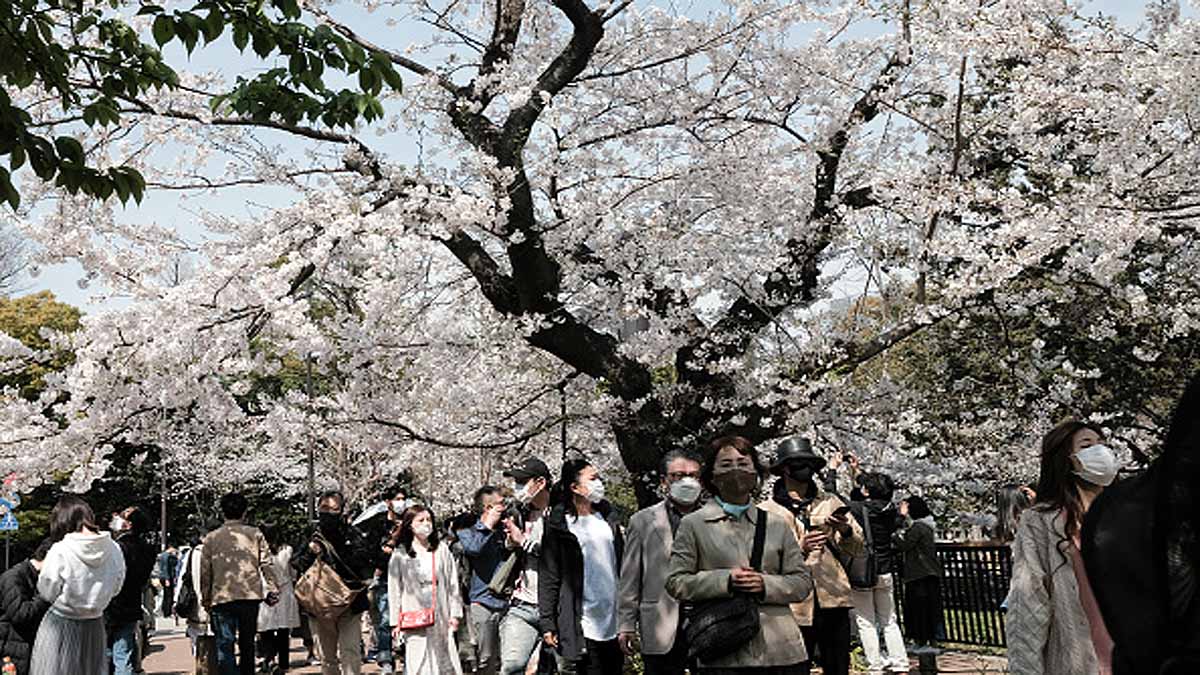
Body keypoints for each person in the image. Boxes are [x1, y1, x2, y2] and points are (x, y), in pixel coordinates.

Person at [665, 435, 812, 673]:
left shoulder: (776, 524)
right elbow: (676, 581)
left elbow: (802, 582)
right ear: (712, 476)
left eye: (743, 463)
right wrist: (725, 580)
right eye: (726, 464)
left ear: (756, 472)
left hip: (782, 651)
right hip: (724, 651)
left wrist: (765, 584)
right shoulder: (693, 525)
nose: (736, 470)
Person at [1005, 420, 1117, 675]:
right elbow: (1029, 601)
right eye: (1087, 445)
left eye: (1102, 444)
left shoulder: (1128, 516)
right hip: (1079, 662)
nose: (1100, 451)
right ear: (1067, 460)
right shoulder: (1041, 522)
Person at [759, 437, 863, 675]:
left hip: (832, 597)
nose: (806, 469)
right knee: (794, 667)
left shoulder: (830, 502)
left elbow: (858, 547)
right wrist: (799, 548)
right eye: (798, 463)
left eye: (810, 464)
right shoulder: (766, 511)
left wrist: (844, 529)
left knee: (837, 666)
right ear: (784, 468)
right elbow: (762, 560)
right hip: (791, 603)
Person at [617, 450, 704, 675]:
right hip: (660, 623)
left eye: (693, 475)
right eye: (678, 475)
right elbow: (630, 577)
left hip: (706, 621)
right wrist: (626, 624)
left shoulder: (715, 518)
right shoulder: (642, 521)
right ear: (664, 481)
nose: (687, 481)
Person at [539, 458, 624, 675]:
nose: (599, 483)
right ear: (575, 487)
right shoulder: (560, 524)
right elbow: (550, 575)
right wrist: (548, 622)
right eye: (592, 479)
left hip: (613, 617)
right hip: (582, 618)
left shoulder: (607, 518)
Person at [29, 494, 126, 675]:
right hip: (95, 624)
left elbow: (47, 591)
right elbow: (116, 587)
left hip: (60, 623)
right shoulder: (114, 548)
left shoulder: (61, 549)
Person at [293, 490, 385, 675]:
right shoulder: (311, 534)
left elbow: (365, 562)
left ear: (342, 511)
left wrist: (345, 548)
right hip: (319, 606)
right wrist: (311, 552)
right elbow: (297, 563)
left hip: (349, 603)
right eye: (324, 508)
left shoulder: (352, 534)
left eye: (334, 509)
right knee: (326, 657)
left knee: (350, 652)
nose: (328, 513)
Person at [200, 492, 281, 675]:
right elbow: (267, 564)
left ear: (222, 512)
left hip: (222, 596)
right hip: (249, 596)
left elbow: (206, 573)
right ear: (245, 512)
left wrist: (206, 599)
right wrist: (273, 587)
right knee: (247, 644)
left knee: (225, 645)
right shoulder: (255, 534)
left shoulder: (211, 538)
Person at [388, 504, 464, 675]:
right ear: (410, 525)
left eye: (429, 520)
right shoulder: (400, 554)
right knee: (417, 660)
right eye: (420, 520)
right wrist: (395, 622)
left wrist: (455, 614)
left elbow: (452, 582)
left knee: (443, 659)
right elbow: (394, 589)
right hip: (413, 614)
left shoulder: (441, 550)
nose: (426, 524)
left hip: (441, 613)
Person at [846, 472, 907, 675]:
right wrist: (857, 472)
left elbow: (833, 495)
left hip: (863, 570)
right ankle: (900, 663)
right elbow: (897, 522)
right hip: (885, 570)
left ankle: (875, 666)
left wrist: (833, 470)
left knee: (866, 622)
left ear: (866, 491)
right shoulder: (891, 511)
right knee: (889, 620)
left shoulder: (858, 509)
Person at [498, 458, 553, 675]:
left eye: (522, 481)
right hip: (522, 604)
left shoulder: (561, 515)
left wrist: (522, 541)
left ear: (541, 483)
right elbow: (510, 551)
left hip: (555, 608)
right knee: (511, 667)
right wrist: (511, 541)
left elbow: (556, 557)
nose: (517, 487)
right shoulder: (520, 512)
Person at [458, 486, 510, 675]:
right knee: (486, 658)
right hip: (483, 602)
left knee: (510, 660)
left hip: (509, 603)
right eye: (501, 503)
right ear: (488, 508)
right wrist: (487, 527)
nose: (505, 507)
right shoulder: (468, 532)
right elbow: (473, 549)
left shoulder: (506, 529)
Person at [105, 507, 158, 675]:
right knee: (124, 654)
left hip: (112, 605)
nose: (116, 518)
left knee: (106, 654)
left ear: (128, 524)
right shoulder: (147, 549)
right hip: (133, 603)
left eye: (122, 516)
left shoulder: (117, 547)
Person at [369, 491, 409, 675]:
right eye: (397, 499)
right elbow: (372, 551)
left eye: (403, 499)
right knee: (386, 619)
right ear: (388, 502)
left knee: (408, 618)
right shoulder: (378, 525)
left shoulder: (410, 521)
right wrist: (387, 547)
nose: (401, 502)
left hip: (408, 576)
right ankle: (386, 658)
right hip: (385, 576)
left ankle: (408, 658)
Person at [0, 539, 52, 675]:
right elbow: (21, 615)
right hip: (10, 654)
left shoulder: (36, 577)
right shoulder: (13, 577)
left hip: (22, 650)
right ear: (49, 555)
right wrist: (46, 596)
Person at [893, 496, 940, 647]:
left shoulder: (918, 527)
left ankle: (921, 639)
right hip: (929, 572)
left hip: (919, 573)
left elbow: (905, 545)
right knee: (929, 608)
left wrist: (893, 534)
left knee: (919, 608)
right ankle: (931, 639)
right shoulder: (927, 525)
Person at [258, 526, 301, 674]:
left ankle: (269, 660)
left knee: (266, 629)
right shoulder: (287, 550)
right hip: (285, 591)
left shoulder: (259, 551)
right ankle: (284, 663)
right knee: (283, 630)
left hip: (266, 592)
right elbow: (293, 572)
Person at [178, 539, 218, 674]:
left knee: (198, 642)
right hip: (217, 606)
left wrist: (176, 601)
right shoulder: (221, 551)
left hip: (196, 606)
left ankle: (201, 667)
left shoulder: (192, 554)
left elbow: (182, 579)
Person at [155, 546, 180, 619]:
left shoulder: (162, 555)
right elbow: (166, 568)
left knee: (166, 595)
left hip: (162, 577)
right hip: (167, 577)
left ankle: (165, 611)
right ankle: (167, 612)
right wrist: (167, 579)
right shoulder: (167, 556)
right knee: (168, 595)